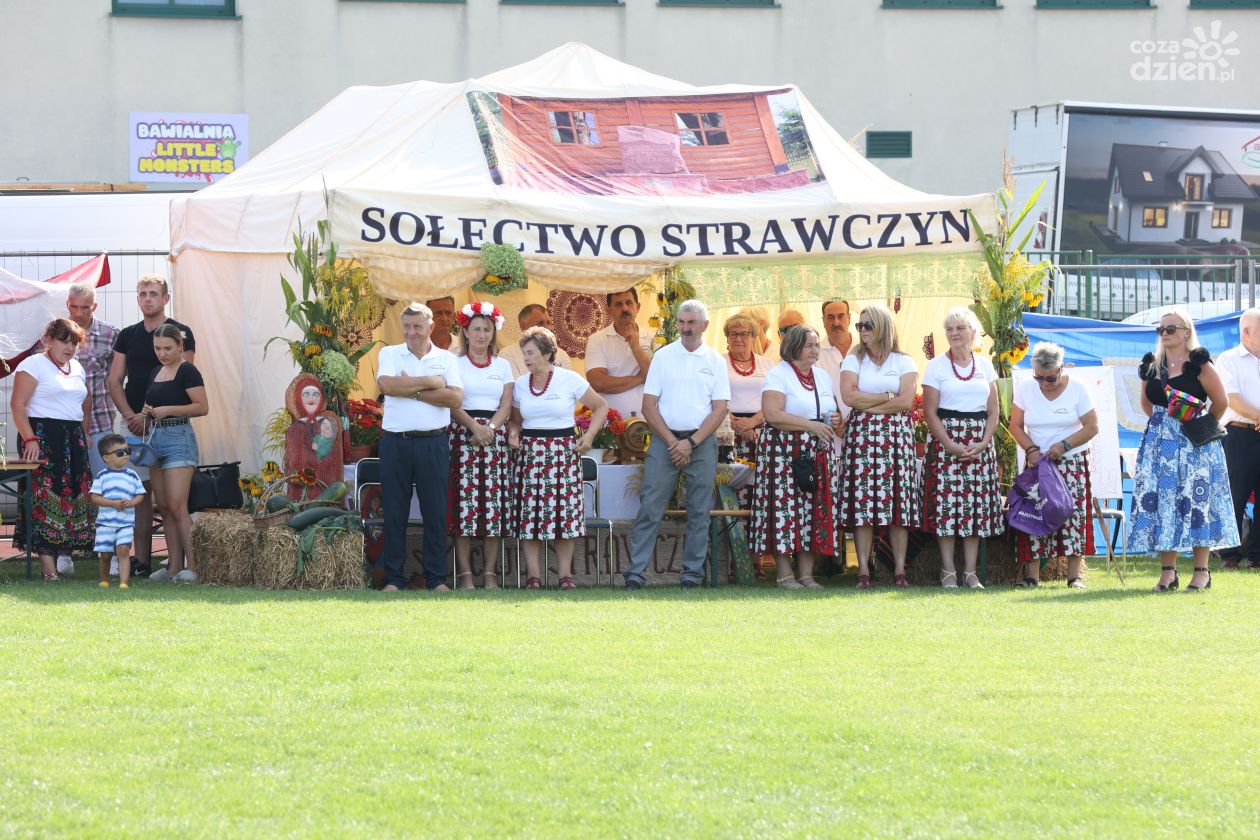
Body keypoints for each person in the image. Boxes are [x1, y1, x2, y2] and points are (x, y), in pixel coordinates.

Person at [1129, 310, 1239, 592]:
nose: (1164, 333)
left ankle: (1201, 572)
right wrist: (1163, 424)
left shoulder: (1200, 364)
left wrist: (1199, 425)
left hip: (1195, 445)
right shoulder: (1151, 365)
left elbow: (1221, 402)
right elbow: (1146, 404)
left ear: (1186, 332)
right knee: (1164, 503)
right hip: (1158, 445)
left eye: (1171, 329)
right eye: (1161, 329)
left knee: (1197, 502)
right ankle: (1168, 573)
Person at [626, 300, 730, 590]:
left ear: (705, 325)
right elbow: (648, 406)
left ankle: (692, 575)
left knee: (699, 510)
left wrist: (691, 442)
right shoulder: (663, 357)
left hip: (701, 441)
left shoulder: (715, 361)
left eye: (691, 322)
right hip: (665, 439)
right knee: (651, 506)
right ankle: (635, 574)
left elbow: (720, 409)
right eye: (682, 322)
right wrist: (675, 443)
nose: (685, 328)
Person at [108, 274, 195, 578]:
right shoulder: (127, 335)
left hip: (167, 426)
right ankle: (142, 561)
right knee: (139, 494)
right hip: (131, 424)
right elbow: (114, 380)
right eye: (143, 293)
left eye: (154, 293)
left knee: (172, 502)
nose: (147, 299)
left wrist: (148, 416)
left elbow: (182, 377)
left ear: (165, 298)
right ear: (137, 298)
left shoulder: (181, 332)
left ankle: (184, 564)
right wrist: (131, 415)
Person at [509, 327, 607, 590]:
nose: (526, 358)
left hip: (562, 453)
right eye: (524, 353)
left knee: (564, 515)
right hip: (530, 455)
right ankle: (533, 577)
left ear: (547, 353)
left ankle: (565, 576)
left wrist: (589, 437)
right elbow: (515, 421)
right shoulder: (520, 384)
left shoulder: (569, 379)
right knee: (530, 516)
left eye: (530, 353)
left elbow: (601, 406)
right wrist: (514, 433)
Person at [376, 302, 464, 592]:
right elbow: (388, 387)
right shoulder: (389, 353)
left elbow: (454, 399)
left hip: (433, 442)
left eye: (417, 326)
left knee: (435, 512)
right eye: (407, 326)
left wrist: (410, 390)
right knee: (395, 512)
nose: (411, 332)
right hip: (395, 442)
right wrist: (431, 382)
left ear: (430, 327)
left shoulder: (447, 358)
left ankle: (436, 579)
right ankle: (394, 579)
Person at [750, 325, 844, 589]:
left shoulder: (822, 376)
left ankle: (806, 575)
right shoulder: (778, 375)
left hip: (817, 451)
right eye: (809, 345)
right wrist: (811, 425)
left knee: (812, 512)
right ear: (793, 347)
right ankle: (784, 575)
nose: (815, 350)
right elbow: (772, 414)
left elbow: (832, 411)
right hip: (784, 452)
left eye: (816, 345)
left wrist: (835, 419)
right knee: (785, 510)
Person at [837, 304, 920, 589]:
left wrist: (868, 404)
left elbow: (906, 401)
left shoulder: (904, 361)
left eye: (868, 325)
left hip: (896, 439)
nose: (862, 330)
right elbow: (849, 397)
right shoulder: (853, 360)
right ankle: (862, 570)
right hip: (861, 439)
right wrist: (886, 396)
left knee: (898, 505)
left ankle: (899, 570)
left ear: (883, 327)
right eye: (859, 325)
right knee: (863, 504)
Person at [39, 283, 118, 577]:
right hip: (65, 429)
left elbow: (117, 377)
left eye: (86, 307)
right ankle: (64, 553)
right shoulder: (56, 334)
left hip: (100, 424)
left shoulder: (110, 334)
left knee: (106, 491)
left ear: (94, 307)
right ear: (67, 305)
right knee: (67, 490)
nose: (80, 312)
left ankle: (110, 554)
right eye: (74, 306)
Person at [921, 307, 1003, 589]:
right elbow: (930, 412)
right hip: (946, 442)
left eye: (960, 328)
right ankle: (948, 572)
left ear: (973, 332)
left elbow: (994, 410)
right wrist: (951, 446)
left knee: (974, 508)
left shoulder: (985, 366)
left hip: (979, 442)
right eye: (949, 329)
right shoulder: (936, 366)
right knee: (946, 507)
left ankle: (970, 572)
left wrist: (983, 442)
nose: (954, 333)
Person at [10, 318, 95, 581]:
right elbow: (18, 406)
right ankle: (49, 571)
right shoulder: (33, 364)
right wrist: (30, 439)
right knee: (44, 498)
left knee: (72, 498)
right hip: (42, 437)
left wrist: (84, 431)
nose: (69, 348)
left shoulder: (77, 367)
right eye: (63, 341)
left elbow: (85, 400)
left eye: (74, 343)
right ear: (49, 340)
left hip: (72, 438)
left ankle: (60, 562)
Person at [1009, 342, 1099, 589]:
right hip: (1038, 463)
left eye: (1050, 378)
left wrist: (1064, 445)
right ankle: (1032, 576)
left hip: (1071, 460)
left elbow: (1092, 427)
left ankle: (1074, 576)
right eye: (1039, 378)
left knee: (1073, 514)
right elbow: (1015, 425)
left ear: (1061, 369)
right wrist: (1031, 450)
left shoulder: (1078, 388)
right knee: (1035, 512)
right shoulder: (1025, 388)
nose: (1044, 384)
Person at [448, 301, 513, 590]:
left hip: (494, 440)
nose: (481, 335)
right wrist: (474, 427)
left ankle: (489, 574)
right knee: (464, 506)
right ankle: (464, 575)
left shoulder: (503, 365)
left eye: (487, 329)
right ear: (465, 331)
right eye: (476, 329)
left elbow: (506, 405)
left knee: (492, 508)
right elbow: (451, 402)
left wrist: (490, 429)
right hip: (463, 435)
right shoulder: (454, 363)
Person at [142, 324, 209, 583]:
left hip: (179, 438)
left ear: (180, 346)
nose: (162, 353)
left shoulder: (188, 370)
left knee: (178, 506)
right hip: (155, 438)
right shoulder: (155, 371)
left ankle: (194, 567)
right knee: (165, 506)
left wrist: (168, 410)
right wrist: (146, 412)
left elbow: (202, 407)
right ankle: (173, 567)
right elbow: (151, 403)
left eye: (168, 348)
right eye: (157, 348)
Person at [1216, 307, 1260, 570]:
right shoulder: (1228, 359)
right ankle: (1229, 554)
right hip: (1239, 433)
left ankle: (1257, 555)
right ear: (1247, 332)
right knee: (1235, 494)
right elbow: (1231, 398)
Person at [88, 434, 146, 590]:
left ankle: (124, 583)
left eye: (127, 451)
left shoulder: (132, 475)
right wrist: (113, 504)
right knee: (105, 554)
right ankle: (104, 580)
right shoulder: (102, 476)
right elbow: (94, 497)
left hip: (125, 523)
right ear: (107, 458)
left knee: (123, 550)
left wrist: (131, 503)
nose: (126, 454)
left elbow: (140, 495)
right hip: (105, 523)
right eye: (120, 452)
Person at [584, 288, 653, 419]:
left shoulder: (654, 339)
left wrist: (636, 348)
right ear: (609, 310)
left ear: (638, 307)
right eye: (618, 304)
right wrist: (641, 377)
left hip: (649, 422)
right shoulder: (597, 340)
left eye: (629, 303)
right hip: (610, 424)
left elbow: (658, 379)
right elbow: (597, 383)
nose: (625, 308)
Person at [723, 313, 771, 463]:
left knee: (761, 474)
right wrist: (734, 423)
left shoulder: (767, 364)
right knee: (727, 474)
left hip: (761, 431)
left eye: (744, 334)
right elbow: (711, 398)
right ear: (727, 338)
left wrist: (754, 421)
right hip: (727, 428)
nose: (738, 339)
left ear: (754, 337)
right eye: (733, 334)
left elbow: (776, 400)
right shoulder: (717, 363)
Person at [500, 304, 572, 377]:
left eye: (548, 322)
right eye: (540, 323)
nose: (547, 328)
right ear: (523, 327)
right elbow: (516, 384)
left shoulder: (561, 355)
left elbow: (568, 382)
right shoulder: (507, 355)